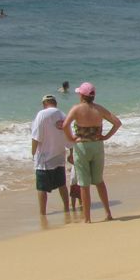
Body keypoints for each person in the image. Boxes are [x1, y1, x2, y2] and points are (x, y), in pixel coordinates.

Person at [62, 82, 121, 223]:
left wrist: (71, 138)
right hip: (97, 146)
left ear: (82, 95)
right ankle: (108, 213)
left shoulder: (76, 109)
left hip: (82, 146)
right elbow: (117, 123)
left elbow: (65, 125)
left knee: (84, 184)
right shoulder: (99, 109)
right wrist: (106, 137)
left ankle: (87, 218)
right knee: (99, 181)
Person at [31, 95, 70, 218]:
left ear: (44, 104)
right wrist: (71, 152)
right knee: (62, 184)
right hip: (59, 155)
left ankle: (42, 213)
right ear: (55, 103)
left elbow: (36, 136)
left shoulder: (41, 114)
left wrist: (33, 152)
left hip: (44, 158)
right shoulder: (62, 115)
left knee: (42, 188)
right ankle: (67, 208)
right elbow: (69, 136)